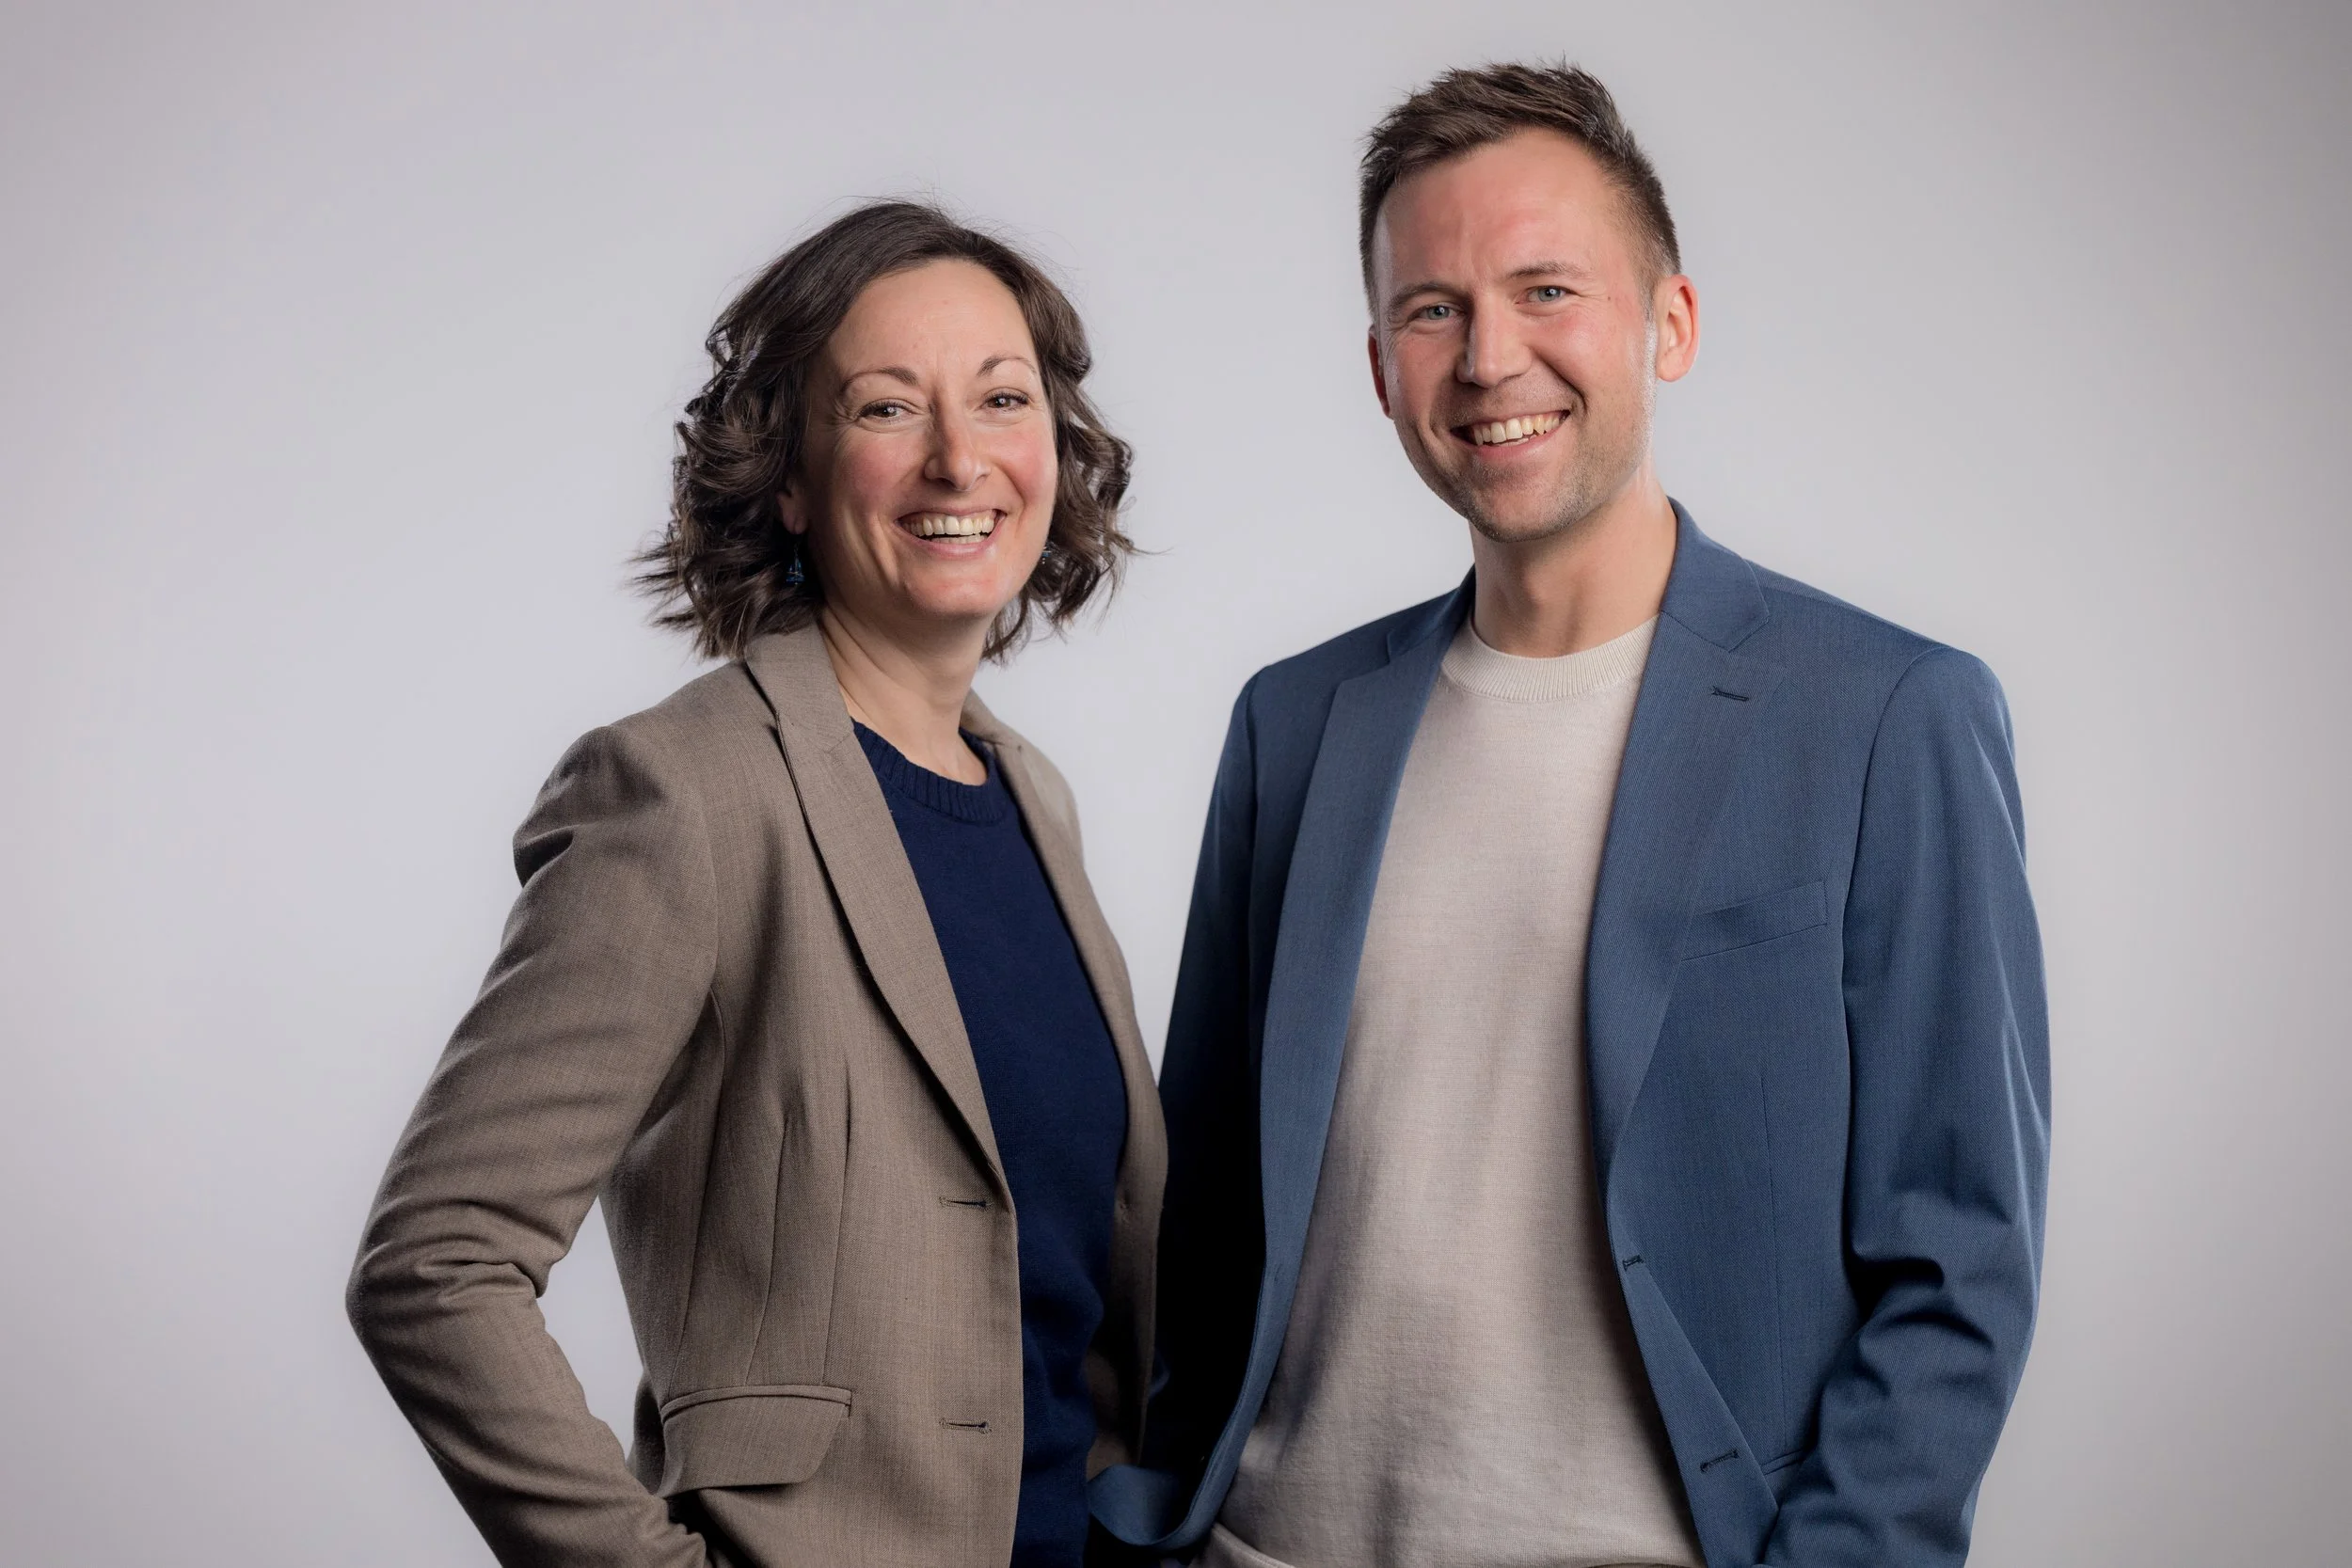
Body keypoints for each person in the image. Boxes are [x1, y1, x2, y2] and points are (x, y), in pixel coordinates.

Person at [1092, 62, 2049, 1568]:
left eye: (1547, 290)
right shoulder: (1295, 726)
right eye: (1434, 309)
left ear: (1670, 322)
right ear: (1380, 366)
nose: (1491, 358)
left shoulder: (1883, 716)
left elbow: (1961, 1260)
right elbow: (1199, 1216)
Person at [348, 200, 1165, 1568]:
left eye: (1002, 398)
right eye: (888, 407)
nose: (959, 457)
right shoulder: (685, 792)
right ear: (788, 476)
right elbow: (435, 1261)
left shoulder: (1036, 800)